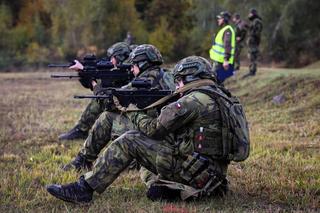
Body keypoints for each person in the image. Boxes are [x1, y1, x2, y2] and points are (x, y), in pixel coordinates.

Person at [46, 56, 250, 203]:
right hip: (214, 174)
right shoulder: (222, 96)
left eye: (179, 81)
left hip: (195, 173)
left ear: (189, 78)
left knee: (130, 140)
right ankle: (165, 188)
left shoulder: (193, 101)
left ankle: (85, 189)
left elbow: (153, 129)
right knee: (149, 156)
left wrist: (131, 109)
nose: (177, 86)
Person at [61, 44, 175, 172]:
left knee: (107, 118)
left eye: (134, 65)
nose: (131, 69)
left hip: (155, 135)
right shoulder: (168, 75)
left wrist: (94, 85)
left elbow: (109, 103)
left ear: (142, 64)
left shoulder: (144, 81)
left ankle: (83, 161)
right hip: (169, 134)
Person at [58, 42, 132, 141]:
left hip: (130, 117)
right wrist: (85, 71)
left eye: (112, 58)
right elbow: (97, 85)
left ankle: (81, 130)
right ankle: (81, 130)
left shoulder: (128, 74)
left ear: (119, 58)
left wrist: (88, 76)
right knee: (100, 98)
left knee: (101, 99)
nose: (110, 60)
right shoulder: (125, 71)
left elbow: (104, 96)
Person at [209, 11, 236, 84]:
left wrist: (226, 60)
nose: (218, 20)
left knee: (216, 83)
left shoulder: (227, 30)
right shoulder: (224, 30)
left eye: (220, 18)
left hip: (221, 63)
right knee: (216, 83)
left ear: (224, 19)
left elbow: (227, 45)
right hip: (218, 62)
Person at [243, 8, 263, 78]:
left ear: (253, 14)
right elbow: (252, 30)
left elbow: (256, 32)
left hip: (254, 42)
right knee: (251, 56)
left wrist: (253, 37)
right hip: (252, 42)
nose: (249, 15)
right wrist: (247, 27)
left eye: (250, 14)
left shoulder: (256, 21)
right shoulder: (254, 21)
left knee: (253, 56)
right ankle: (251, 71)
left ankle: (252, 72)